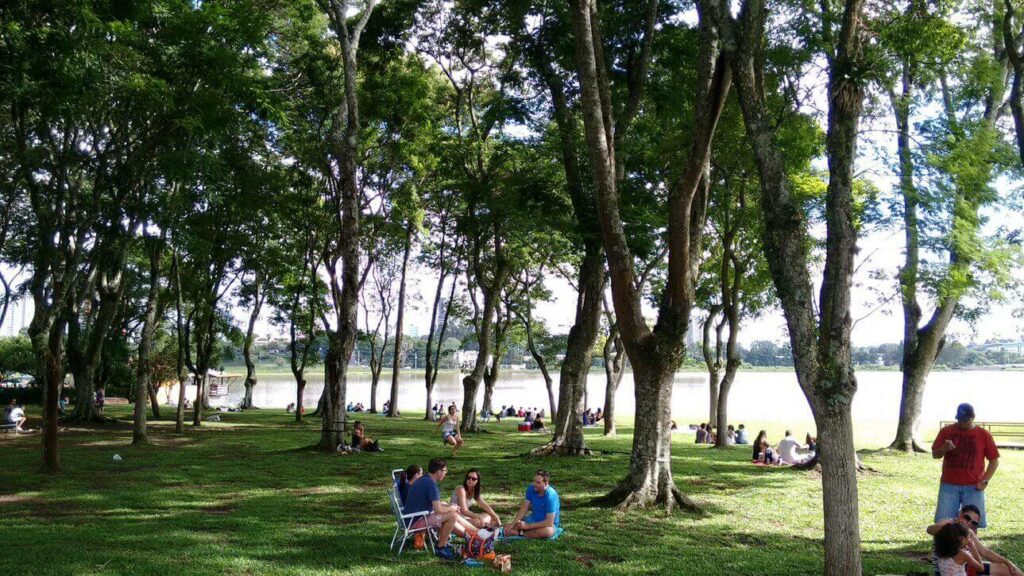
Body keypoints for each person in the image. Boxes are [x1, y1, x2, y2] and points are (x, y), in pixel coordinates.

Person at [405, 458, 487, 560]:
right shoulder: (431, 485)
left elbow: (436, 505)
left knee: (449, 510)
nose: (445, 473)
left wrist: (449, 507)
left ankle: (474, 534)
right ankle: (441, 547)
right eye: (444, 471)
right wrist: (451, 508)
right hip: (415, 522)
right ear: (439, 472)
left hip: (413, 518)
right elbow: (438, 510)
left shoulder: (425, 479)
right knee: (452, 515)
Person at [933, 403, 1000, 529]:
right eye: (959, 420)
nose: (962, 423)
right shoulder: (946, 431)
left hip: (974, 486)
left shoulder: (983, 434)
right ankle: (943, 547)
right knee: (944, 522)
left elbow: (994, 460)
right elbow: (935, 454)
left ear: (973, 417)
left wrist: (985, 480)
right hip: (949, 485)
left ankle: (970, 548)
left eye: (966, 420)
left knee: (972, 523)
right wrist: (943, 448)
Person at [928, 505, 1024, 576]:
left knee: (1007, 569)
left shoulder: (968, 532)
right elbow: (929, 529)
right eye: (967, 517)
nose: (969, 523)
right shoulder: (947, 524)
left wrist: (1007, 562)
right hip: (945, 572)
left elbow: (985, 552)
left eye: (973, 523)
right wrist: (952, 528)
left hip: (964, 567)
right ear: (961, 513)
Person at [505, 469, 560, 539]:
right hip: (533, 520)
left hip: (548, 525)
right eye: (534, 481)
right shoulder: (531, 488)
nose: (534, 484)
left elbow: (549, 522)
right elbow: (524, 508)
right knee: (510, 527)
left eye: (538, 482)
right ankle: (519, 531)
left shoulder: (551, 496)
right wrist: (512, 525)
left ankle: (520, 533)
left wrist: (527, 526)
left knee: (548, 531)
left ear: (546, 484)